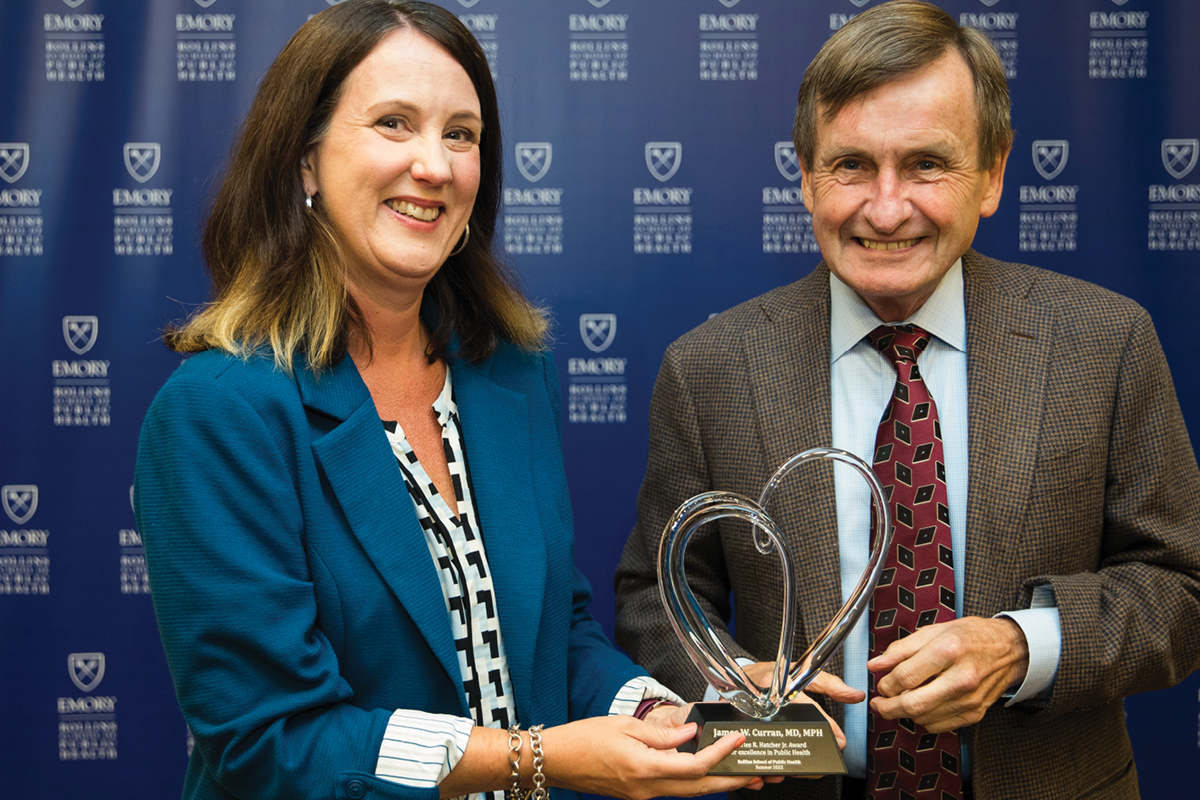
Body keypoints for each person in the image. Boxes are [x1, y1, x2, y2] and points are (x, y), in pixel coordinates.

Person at [134, 3, 779, 799]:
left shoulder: (511, 374)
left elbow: (555, 639)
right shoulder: (217, 412)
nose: (434, 166)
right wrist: (536, 759)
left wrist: (679, 716)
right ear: (305, 161)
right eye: (394, 124)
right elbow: (272, 739)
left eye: (461, 134)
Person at [613, 2, 1200, 799]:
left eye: (927, 164)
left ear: (991, 174)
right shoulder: (710, 368)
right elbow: (655, 595)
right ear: (806, 174)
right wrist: (726, 679)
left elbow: (1181, 587)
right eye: (851, 164)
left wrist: (1026, 647)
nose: (886, 209)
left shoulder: (1104, 344)